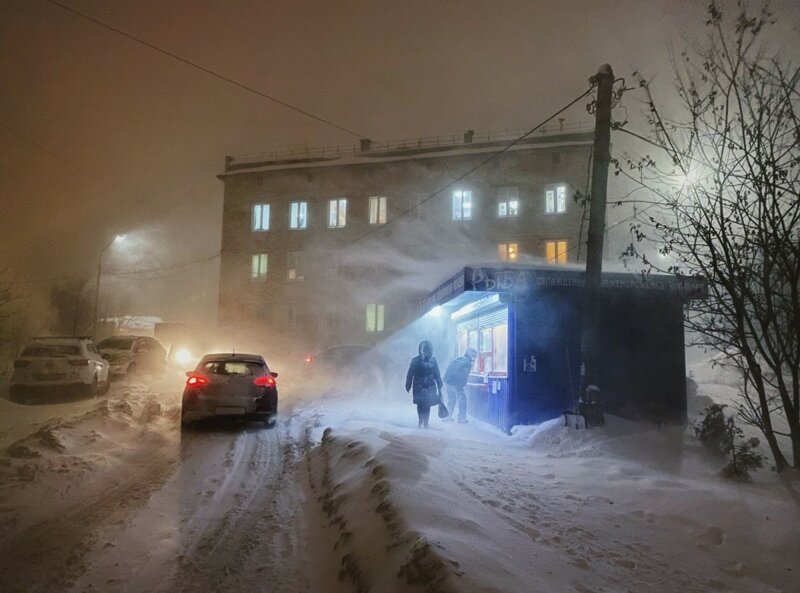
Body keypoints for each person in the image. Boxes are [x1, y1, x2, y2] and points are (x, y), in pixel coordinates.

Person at [405, 340, 443, 428]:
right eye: (426, 350)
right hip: (419, 386)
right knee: (420, 404)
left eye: (429, 350)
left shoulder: (433, 360)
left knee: (428, 404)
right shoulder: (415, 360)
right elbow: (410, 373)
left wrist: (439, 383)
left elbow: (437, 373)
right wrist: (408, 384)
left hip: (430, 386)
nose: (428, 352)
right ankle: (420, 421)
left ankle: (426, 423)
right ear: (422, 351)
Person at [442, 347, 477, 423]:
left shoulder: (459, 359)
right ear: (472, 355)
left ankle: (447, 417)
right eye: (474, 356)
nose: (475, 358)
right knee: (462, 400)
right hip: (456, 382)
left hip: (448, 381)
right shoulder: (467, 362)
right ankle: (461, 418)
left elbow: (451, 368)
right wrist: (462, 385)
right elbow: (463, 375)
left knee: (451, 399)